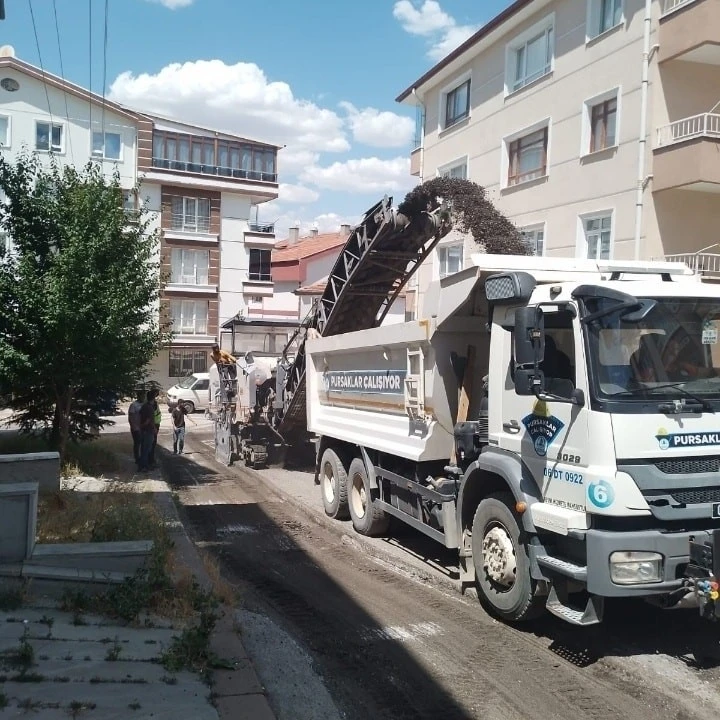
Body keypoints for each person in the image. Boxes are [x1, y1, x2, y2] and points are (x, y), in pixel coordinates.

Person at [138, 392, 156, 472]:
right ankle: (144, 466)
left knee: (143, 448)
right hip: (148, 430)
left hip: (143, 430)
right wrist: (154, 428)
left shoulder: (144, 406)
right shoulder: (150, 408)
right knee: (147, 449)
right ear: (153, 398)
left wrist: (140, 426)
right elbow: (149, 420)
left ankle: (142, 465)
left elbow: (140, 416)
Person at [127, 390, 145, 466]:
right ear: (138, 396)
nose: (143, 398)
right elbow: (130, 417)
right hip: (136, 427)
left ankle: (143, 458)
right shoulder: (133, 405)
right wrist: (133, 426)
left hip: (143, 427)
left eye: (144, 396)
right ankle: (137, 458)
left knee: (143, 443)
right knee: (137, 443)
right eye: (142, 396)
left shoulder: (144, 404)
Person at [148, 389, 161, 468]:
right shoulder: (152, 404)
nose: (157, 396)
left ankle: (151, 460)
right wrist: (154, 427)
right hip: (153, 425)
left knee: (152, 444)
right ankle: (151, 461)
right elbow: (151, 417)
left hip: (155, 424)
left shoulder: (154, 403)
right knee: (151, 444)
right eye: (156, 394)